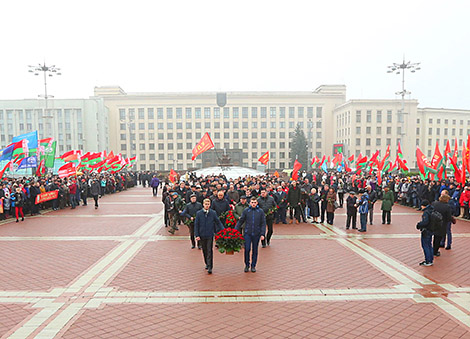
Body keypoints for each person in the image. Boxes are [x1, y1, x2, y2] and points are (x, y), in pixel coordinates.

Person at [236, 197, 266, 273]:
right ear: (250, 203)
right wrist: (235, 230)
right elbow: (241, 221)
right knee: (247, 249)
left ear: (257, 203)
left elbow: (263, 223)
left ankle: (253, 265)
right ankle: (247, 264)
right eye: (252, 202)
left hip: (257, 233)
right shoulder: (246, 211)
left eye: (255, 202)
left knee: (255, 250)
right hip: (247, 233)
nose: (253, 204)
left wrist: (262, 234)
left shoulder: (260, 211)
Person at [194, 198, 224, 274]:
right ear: (203, 205)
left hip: (210, 234)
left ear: (210, 205)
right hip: (202, 234)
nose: (207, 206)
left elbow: (218, 222)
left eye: (208, 204)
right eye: (205, 204)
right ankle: (207, 263)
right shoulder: (199, 213)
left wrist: (223, 230)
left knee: (209, 250)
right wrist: (197, 235)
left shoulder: (213, 213)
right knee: (204, 250)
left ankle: (210, 266)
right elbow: (196, 225)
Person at [416, 200, 435, 266]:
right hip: (431, 230)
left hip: (426, 230)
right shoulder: (432, 210)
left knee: (425, 245)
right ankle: (430, 259)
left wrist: (419, 225)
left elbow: (425, 222)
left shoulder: (426, 212)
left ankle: (428, 260)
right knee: (429, 245)